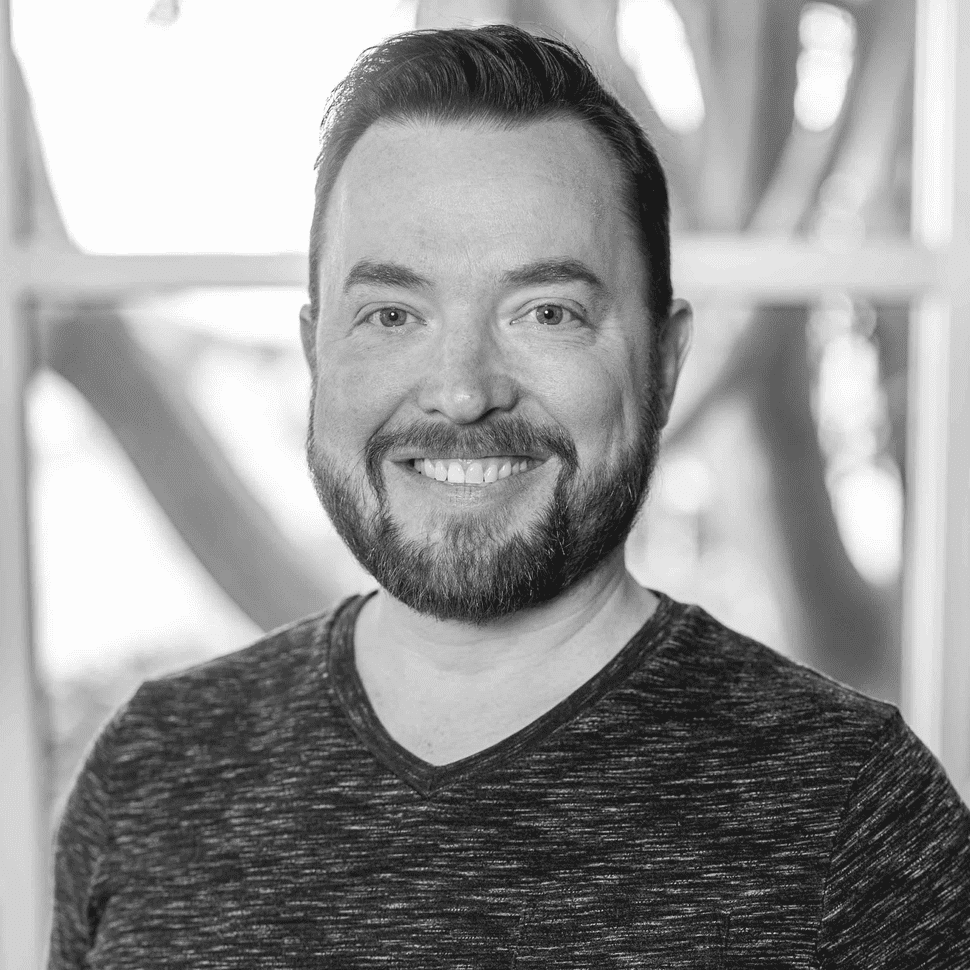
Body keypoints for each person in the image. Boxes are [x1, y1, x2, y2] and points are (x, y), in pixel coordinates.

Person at [49, 24, 969, 969]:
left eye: (547, 313)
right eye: (393, 315)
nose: (462, 388)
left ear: (665, 359)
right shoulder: (154, 770)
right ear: (317, 349)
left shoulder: (855, 812)